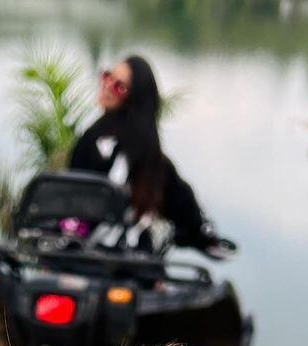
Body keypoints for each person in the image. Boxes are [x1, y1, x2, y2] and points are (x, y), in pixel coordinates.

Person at [69, 55, 232, 258]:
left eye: (119, 86)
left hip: (78, 253)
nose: (108, 85)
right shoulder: (149, 157)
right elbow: (184, 207)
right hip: (131, 261)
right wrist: (204, 237)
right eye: (107, 76)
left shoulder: (92, 140)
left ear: (134, 99)